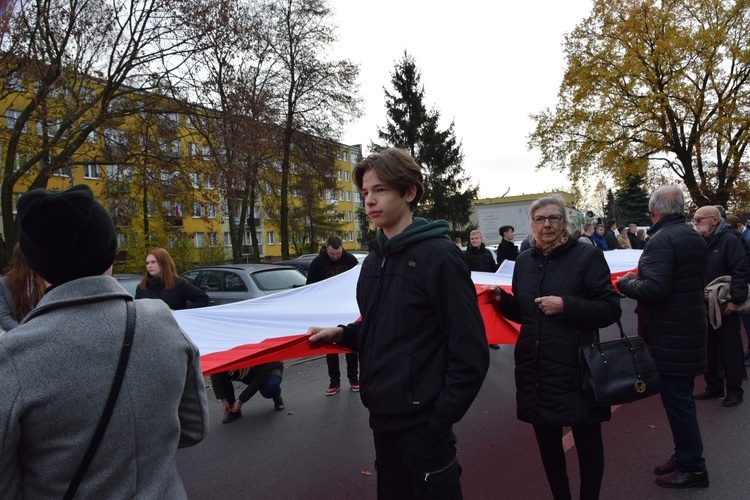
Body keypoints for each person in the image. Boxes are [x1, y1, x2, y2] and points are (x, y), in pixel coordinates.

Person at [0, 185, 208, 498]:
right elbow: (193, 429)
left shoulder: (13, 356)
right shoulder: (161, 321)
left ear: (36, 265)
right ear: (109, 250)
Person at [307, 148, 489, 499]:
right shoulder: (374, 259)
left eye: (381, 190)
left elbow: (470, 352)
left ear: (409, 193)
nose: (370, 201)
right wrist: (344, 333)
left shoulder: (440, 256)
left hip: (425, 427)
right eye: (364, 193)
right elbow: (383, 329)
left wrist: (438, 422)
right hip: (382, 421)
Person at [489, 196, 621, 500]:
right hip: (536, 368)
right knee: (548, 446)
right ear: (531, 224)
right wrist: (504, 302)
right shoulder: (524, 260)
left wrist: (566, 305)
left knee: (588, 444)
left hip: (577, 367)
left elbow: (609, 309)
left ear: (565, 223)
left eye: (553, 218)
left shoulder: (586, 256)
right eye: (539, 219)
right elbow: (526, 313)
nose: (546, 224)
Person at [617, 186, 709, 489]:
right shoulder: (692, 236)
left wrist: (625, 285)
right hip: (688, 327)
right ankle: (686, 455)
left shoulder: (661, 241)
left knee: (678, 401)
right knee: (681, 399)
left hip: (670, 333)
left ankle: (693, 466)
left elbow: (655, 290)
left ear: (653, 210)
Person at [691, 206, 748, 407]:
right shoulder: (699, 241)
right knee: (708, 348)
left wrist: (736, 300)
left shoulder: (730, 241)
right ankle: (713, 386)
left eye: (699, 219)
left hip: (725, 303)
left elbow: (740, 271)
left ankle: (734, 391)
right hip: (703, 303)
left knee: (729, 349)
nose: (694, 222)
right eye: (694, 219)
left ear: (714, 220)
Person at [307, 235, 361, 395]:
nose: (336, 257)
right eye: (332, 254)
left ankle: (354, 379)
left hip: (347, 308)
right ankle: (334, 382)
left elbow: (359, 281)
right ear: (327, 248)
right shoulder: (318, 263)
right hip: (327, 310)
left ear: (342, 248)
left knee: (350, 343)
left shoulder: (350, 260)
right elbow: (310, 286)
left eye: (338, 254)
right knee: (330, 346)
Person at [210, 361, 285, 423]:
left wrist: (240, 400)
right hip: (244, 371)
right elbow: (215, 373)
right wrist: (223, 399)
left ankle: (276, 396)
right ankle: (233, 410)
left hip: (269, 370)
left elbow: (259, 379)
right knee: (221, 374)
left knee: (270, 389)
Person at [135, 248, 209, 310]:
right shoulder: (142, 287)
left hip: (173, 326)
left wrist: (180, 313)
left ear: (164, 263)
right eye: (147, 263)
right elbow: (136, 310)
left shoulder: (178, 284)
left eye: (153, 262)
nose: (149, 266)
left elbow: (203, 298)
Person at [0, 244, 45, 332]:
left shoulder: (45, 280)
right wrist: (24, 332)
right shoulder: (3, 283)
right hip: (18, 335)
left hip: (43, 332)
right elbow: (4, 316)